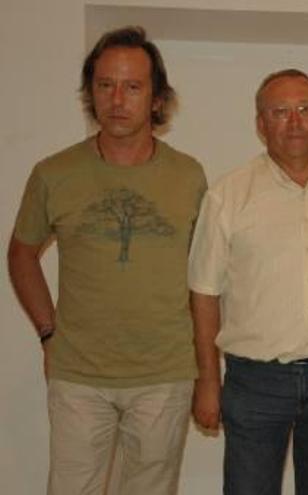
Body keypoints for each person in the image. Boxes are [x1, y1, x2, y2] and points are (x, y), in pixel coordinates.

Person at [7, 26, 206, 495]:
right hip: (78, 374)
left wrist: (206, 364)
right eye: (105, 85)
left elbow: (205, 278)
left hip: (164, 373)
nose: (117, 99)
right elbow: (21, 254)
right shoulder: (53, 174)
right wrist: (47, 330)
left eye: (133, 86)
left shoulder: (188, 175)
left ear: (156, 99)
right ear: (90, 93)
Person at [188, 68, 308, 495]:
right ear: (261, 124)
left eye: (305, 109)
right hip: (255, 382)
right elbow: (203, 292)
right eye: (280, 112)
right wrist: (207, 380)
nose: (295, 122)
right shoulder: (228, 196)